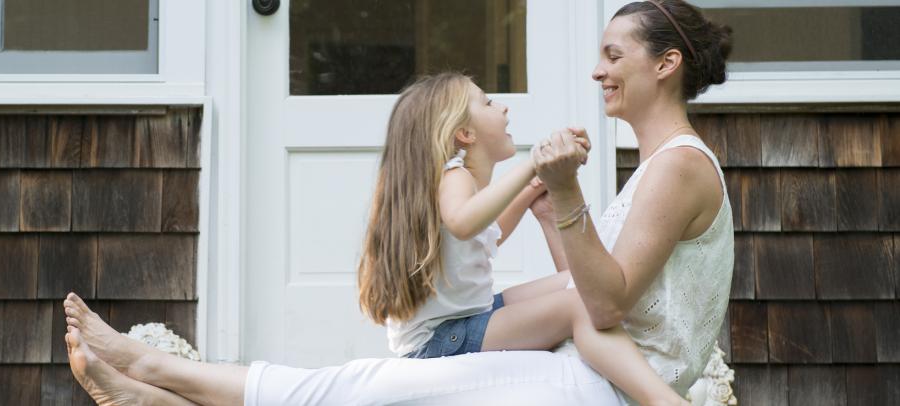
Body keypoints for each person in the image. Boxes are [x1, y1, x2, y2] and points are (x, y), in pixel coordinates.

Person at [61, 0, 735, 404]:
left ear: (665, 64)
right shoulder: (658, 168)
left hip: (601, 389)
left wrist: (561, 195)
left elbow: (603, 304)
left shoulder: (676, 167)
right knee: (362, 389)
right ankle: (153, 379)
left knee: (362, 390)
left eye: (614, 55)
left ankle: (154, 372)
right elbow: (585, 288)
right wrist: (551, 203)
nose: (597, 69)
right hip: (586, 371)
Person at [353, 72, 684, 405]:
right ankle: (661, 400)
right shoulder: (455, 176)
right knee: (579, 303)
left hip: (463, 323)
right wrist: (532, 166)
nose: (504, 108)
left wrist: (537, 186)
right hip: (443, 340)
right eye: (488, 102)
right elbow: (463, 224)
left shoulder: (455, 183)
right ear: (465, 133)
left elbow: (485, 234)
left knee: (581, 283)